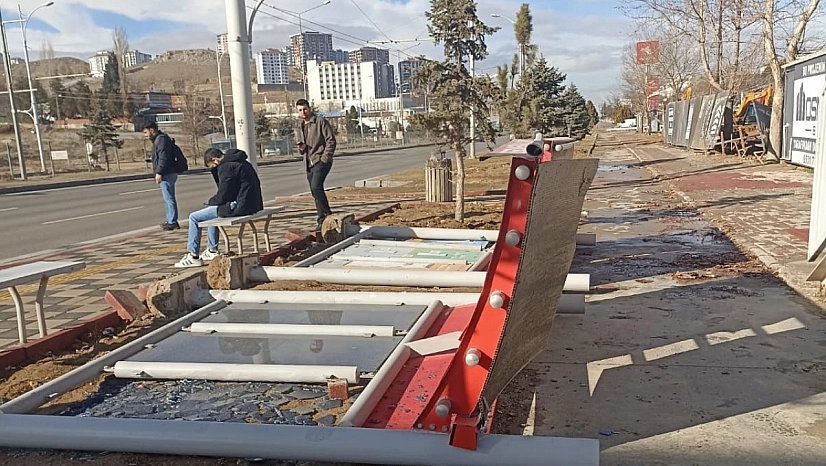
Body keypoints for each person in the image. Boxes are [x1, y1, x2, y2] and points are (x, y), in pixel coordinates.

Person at [174, 148, 264, 268]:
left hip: (239, 206)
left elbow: (224, 194)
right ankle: (212, 250)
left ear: (215, 160)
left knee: (194, 217)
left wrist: (211, 201)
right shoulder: (242, 162)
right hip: (252, 204)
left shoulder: (226, 167)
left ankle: (193, 256)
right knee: (213, 213)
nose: (212, 169)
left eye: (211, 167)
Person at [295, 99, 336, 230]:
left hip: (320, 161)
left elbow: (331, 141)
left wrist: (325, 158)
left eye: (305, 109)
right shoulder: (300, 126)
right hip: (308, 163)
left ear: (309, 108)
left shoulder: (320, 122)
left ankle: (328, 214)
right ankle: (321, 220)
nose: (303, 112)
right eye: (300, 110)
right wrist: (301, 148)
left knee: (316, 187)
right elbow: (301, 144)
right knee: (315, 191)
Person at [144, 121, 180, 231]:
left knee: (169, 198)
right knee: (168, 198)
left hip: (167, 173)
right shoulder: (160, 139)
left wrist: (159, 172)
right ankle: (171, 220)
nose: (145, 135)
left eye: (145, 132)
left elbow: (164, 158)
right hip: (167, 171)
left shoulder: (161, 140)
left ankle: (172, 221)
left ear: (151, 130)